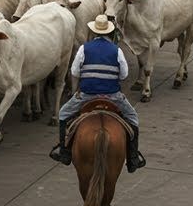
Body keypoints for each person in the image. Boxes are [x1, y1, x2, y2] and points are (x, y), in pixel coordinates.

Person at [49, 14, 145, 172]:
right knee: (133, 118)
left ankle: (64, 152)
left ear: (94, 32)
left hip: (87, 94)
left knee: (63, 113)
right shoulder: (117, 50)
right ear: (109, 33)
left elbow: (74, 71)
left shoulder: (84, 48)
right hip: (113, 96)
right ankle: (133, 158)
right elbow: (124, 75)